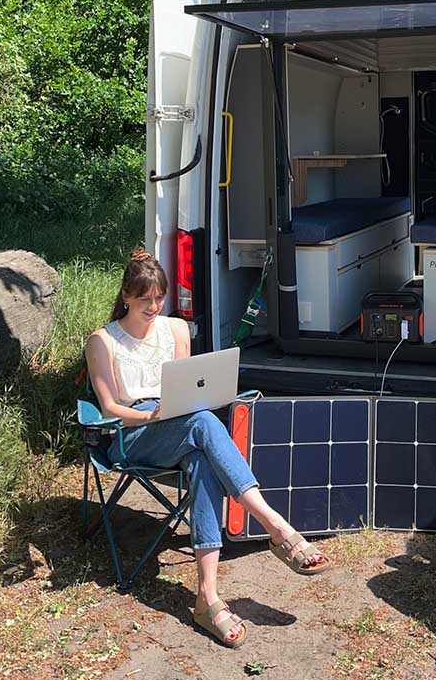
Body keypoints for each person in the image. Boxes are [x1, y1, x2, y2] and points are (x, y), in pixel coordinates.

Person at [85, 247, 332, 649]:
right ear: (126, 296)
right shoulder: (103, 340)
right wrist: (152, 417)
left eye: (160, 298)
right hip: (130, 434)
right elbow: (110, 406)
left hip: (179, 425)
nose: (154, 306)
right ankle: (276, 526)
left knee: (201, 455)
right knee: (202, 423)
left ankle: (208, 597)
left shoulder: (176, 330)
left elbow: (184, 386)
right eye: (145, 299)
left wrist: (180, 407)